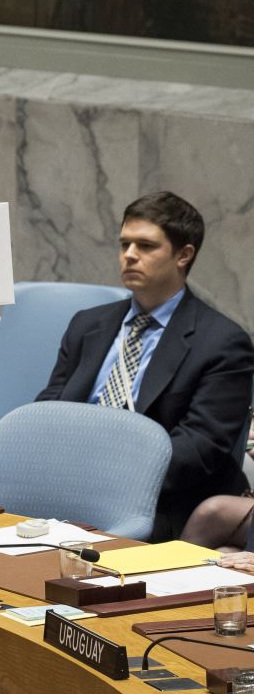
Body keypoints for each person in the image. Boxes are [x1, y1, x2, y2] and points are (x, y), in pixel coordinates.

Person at [37, 192, 254, 541]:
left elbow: (201, 448)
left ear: (184, 255)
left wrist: (104, 477)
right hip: (69, 492)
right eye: (124, 244)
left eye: (146, 246)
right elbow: (48, 410)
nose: (129, 256)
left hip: (160, 504)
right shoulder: (87, 325)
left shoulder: (223, 342)